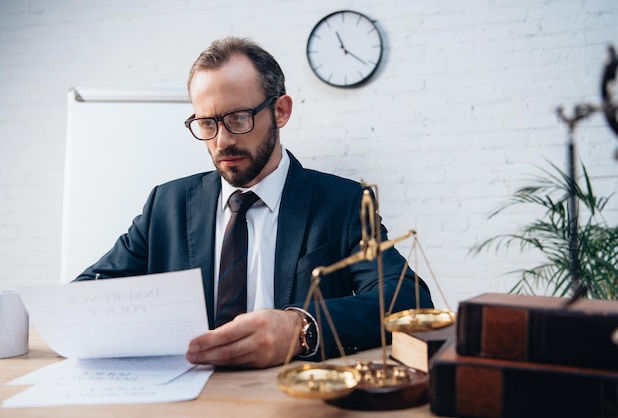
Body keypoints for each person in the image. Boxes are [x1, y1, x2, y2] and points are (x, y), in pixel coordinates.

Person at [75, 36, 433, 369]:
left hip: (288, 399)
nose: (222, 141)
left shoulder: (343, 203)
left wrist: (300, 327)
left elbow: (408, 301)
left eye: (238, 118)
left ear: (280, 111)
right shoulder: (166, 205)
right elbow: (88, 294)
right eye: (206, 123)